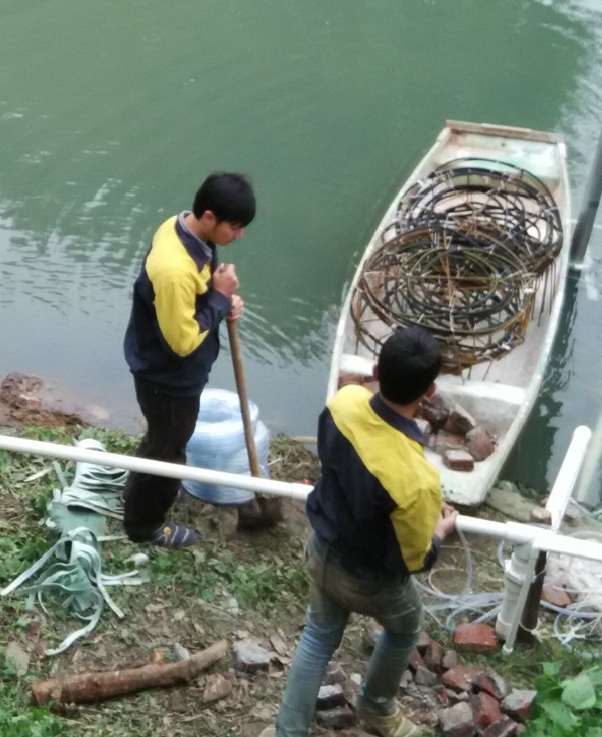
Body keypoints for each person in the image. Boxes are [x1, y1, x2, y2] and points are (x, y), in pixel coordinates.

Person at [273, 325, 458, 737]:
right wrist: (440, 531)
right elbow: (415, 559)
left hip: (322, 548)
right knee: (407, 625)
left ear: (375, 370)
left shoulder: (343, 403)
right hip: (369, 578)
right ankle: (375, 706)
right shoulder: (418, 480)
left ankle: (288, 730)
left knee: (319, 637)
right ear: (429, 393)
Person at [121, 171, 254, 550]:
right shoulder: (174, 269)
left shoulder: (182, 228)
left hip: (161, 368)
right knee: (169, 448)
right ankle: (143, 525)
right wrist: (217, 299)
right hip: (167, 378)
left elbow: (202, 292)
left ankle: (138, 491)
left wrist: (222, 299)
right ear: (209, 217)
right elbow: (180, 343)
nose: (239, 235)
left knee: (161, 439)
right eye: (235, 227)